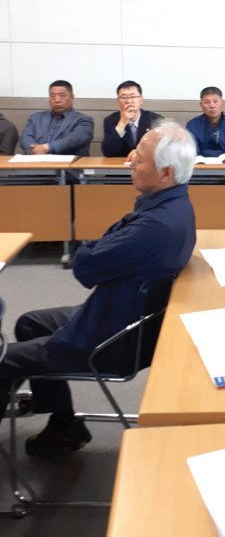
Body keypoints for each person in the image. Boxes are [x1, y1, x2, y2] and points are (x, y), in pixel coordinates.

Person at [0, 120, 197, 457]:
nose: (130, 161)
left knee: (5, 361)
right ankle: (64, 426)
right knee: (30, 323)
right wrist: (100, 245)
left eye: (139, 158)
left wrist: (95, 246)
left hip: (110, 341)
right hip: (122, 318)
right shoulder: (173, 205)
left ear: (166, 173)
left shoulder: (153, 227)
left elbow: (84, 265)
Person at [19, 80, 94, 156]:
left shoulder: (83, 120)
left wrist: (47, 148)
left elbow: (75, 139)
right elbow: (25, 138)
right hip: (35, 160)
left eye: (62, 96)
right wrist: (35, 150)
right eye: (52, 96)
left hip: (67, 162)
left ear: (72, 97)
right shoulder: (36, 118)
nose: (57, 100)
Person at [102, 80, 162, 158]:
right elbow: (108, 152)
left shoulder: (156, 120)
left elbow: (161, 150)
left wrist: (139, 153)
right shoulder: (110, 120)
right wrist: (122, 123)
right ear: (118, 101)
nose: (129, 101)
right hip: (120, 164)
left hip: (147, 163)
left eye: (133, 96)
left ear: (141, 99)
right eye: (124, 97)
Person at [186, 87, 225, 158]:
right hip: (200, 165)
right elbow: (191, 154)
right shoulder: (192, 125)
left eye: (215, 101)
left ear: (222, 103)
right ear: (201, 105)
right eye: (207, 102)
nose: (212, 106)